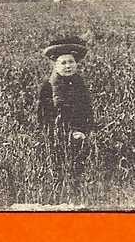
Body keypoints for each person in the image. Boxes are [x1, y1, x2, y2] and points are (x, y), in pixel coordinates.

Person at [36, 36, 95, 179]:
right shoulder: (48, 86)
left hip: (81, 137)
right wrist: (66, 134)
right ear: (56, 65)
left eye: (71, 62)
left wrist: (83, 131)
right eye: (63, 63)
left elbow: (87, 111)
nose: (68, 66)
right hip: (58, 141)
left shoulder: (79, 84)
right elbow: (45, 118)